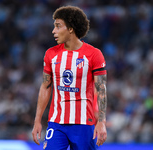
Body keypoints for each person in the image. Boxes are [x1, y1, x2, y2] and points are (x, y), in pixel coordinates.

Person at [32, 5, 107, 150]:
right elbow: (45, 87)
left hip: (84, 123)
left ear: (71, 28)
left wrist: (102, 121)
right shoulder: (50, 54)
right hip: (56, 122)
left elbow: (101, 89)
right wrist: (37, 120)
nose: (54, 31)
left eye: (58, 26)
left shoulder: (94, 54)